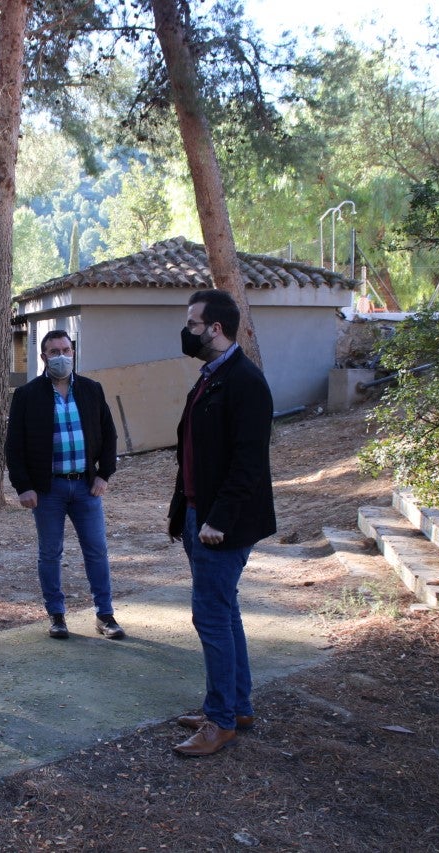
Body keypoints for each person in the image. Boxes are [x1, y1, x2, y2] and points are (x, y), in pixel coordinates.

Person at [166, 289, 276, 756]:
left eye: (193, 323)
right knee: (224, 611)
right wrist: (182, 512)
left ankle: (220, 720)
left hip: (221, 523)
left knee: (210, 615)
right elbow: (191, 452)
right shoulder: (210, 377)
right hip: (199, 514)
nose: (187, 331)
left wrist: (217, 519)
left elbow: (248, 463)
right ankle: (237, 705)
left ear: (216, 328)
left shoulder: (245, 381)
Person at [5, 330, 125, 640]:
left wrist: (104, 475)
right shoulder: (27, 396)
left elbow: (109, 436)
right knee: (50, 554)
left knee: (97, 551)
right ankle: (57, 616)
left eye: (66, 350)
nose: (61, 356)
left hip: (86, 487)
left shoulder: (91, 390)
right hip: (48, 491)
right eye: (54, 351)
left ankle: (105, 615)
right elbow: (14, 446)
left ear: (73, 353)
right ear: (43, 357)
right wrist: (23, 486)